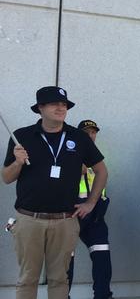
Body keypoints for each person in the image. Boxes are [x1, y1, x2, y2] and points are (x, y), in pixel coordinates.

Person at [2, 86, 107, 299]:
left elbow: (101, 170)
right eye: (54, 104)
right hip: (29, 219)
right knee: (27, 278)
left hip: (65, 220)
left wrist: (90, 203)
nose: (61, 108)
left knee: (60, 279)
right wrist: (18, 162)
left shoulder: (78, 137)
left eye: (64, 104)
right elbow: (7, 177)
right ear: (40, 108)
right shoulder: (22, 137)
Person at [67, 120, 113, 299]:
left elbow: (101, 185)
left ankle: (103, 295)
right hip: (71, 215)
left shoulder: (98, 159)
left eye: (93, 132)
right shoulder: (69, 154)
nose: (91, 136)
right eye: (86, 132)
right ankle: (63, 295)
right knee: (65, 260)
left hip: (94, 217)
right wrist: (75, 169)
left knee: (102, 257)